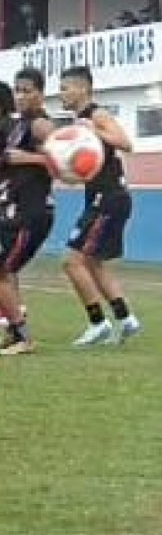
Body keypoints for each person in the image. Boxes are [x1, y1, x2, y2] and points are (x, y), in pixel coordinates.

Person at [59, 66, 141, 348]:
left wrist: (95, 130)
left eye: (66, 87)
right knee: (93, 262)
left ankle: (98, 323)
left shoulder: (96, 115)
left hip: (108, 197)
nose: (62, 93)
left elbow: (126, 143)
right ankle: (126, 319)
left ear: (83, 88)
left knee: (71, 261)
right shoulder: (77, 121)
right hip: (101, 196)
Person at [0, 73, 51, 354]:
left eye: (27, 91)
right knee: (6, 271)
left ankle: (22, 336)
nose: (20, 96)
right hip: (15, 210)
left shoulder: (41, 124)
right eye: (17, 90)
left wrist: (30, 158)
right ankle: (14, 331)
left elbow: (63, 159)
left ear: (40, 94)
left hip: (31, 212)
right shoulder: (19, 126)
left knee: (3, 270)